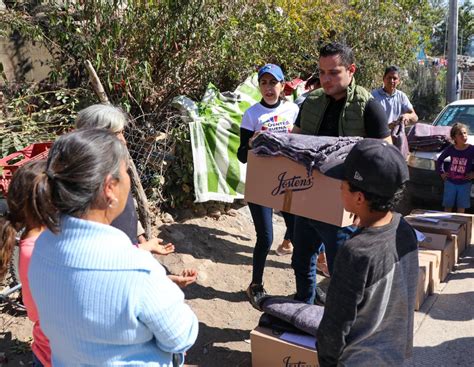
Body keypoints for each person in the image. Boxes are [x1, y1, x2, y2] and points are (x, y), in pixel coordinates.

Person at [28, 129, 198, 366]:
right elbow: (180, 337)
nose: (128, 178)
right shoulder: (137, 269)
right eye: (126, 171)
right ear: (109, 188)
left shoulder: (42, 249)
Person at [291, 42, 391, 304]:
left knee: (341, 271)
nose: (326, 79)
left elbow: (387, 157)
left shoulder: (368, 106)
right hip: (307, 199)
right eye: (322, 72)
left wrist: (367, 206)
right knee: (301, 260)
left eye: (333, 72)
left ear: (351, 70)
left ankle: (337, 325)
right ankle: (303, 314)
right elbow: (295, 142)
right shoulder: (310, 102)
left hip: (344, 206)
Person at [317, 138, 418, 366]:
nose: (339, 187)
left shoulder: (355, 253)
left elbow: (333, 330)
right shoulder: (404, 230)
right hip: (395, 356)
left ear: (359, 197)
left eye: (342, 184)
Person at [76, 104, 197, 288]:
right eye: (117, 134)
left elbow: (128, 207)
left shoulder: (114, 170)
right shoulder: (87, 192)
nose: (124, 141)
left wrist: (140, 237)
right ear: (96, 139)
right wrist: (144, 250)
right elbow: (103, 260)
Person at [237, 63, 299, 309]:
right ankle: (256, 285)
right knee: (265, 237)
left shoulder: (293, 110)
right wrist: (251, 144)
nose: (268, 88)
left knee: (297, 234)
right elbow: (241, 155)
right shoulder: (251, 114)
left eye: (272, 82)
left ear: (282, 85)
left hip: (289, 181)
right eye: (263, 83)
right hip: (261, 182)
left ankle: (303, 289)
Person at [0, 160, 51, 367]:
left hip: (45, 348)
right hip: (56, 353)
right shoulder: (42, 249)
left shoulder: (31, 245)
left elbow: (32, 311)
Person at [436, 122, 474, 213]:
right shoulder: (451, 149)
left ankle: (460, 226)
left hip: (465, 183)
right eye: (460, 134)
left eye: (465, 133)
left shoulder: (472, 149)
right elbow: (439, 160)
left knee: (461, 208)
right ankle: (446, 225)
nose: (463, 135)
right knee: (448, 206)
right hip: (450, 183)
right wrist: (442, 173)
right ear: (454, 137)